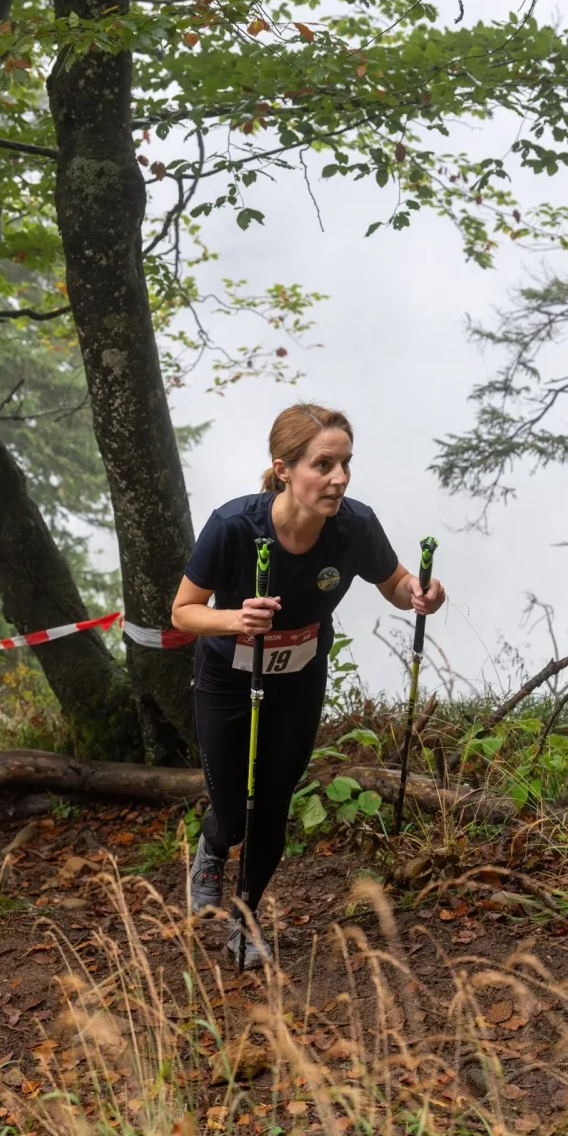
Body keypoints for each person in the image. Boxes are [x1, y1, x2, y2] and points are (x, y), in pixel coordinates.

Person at [171, 403, 445, 967]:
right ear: (284, 469)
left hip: (298, 676)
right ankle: (212, 844)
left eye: (345, 463)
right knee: (230, 806)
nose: (339, 478)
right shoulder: (233, 526)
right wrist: (234, 620)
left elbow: (393, 582)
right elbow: (182, 612)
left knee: (270, 804)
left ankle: (244, 920)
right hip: (227, 674)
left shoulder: (355, 526)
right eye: (324, 465)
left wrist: (419, 593)